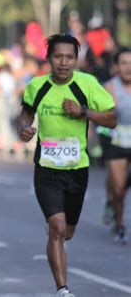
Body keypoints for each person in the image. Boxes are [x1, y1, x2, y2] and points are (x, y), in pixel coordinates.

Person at [19, 34, 117, 297]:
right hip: (47, 169)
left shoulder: (87, 84)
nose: (63, 62)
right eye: (58, 57)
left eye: (69, 57)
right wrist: (25, 128)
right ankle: (63, 289)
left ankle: (56, 231)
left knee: (68, 231)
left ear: (76, 59)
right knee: (58, 229)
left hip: (77, 169)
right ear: (49, 59)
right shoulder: (36, 85)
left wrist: (84, 112)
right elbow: (27, 110)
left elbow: (112, 119)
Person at [103, 47, 131, 244]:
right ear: (116, 67)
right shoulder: (110, 87)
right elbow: (103, 116)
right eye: (123, 63)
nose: (128, 67)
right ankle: (119, 223)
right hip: (117, 141)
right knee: (119, 188)